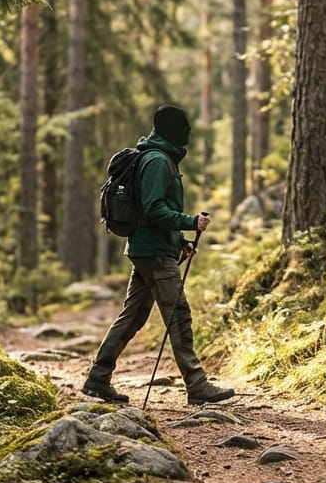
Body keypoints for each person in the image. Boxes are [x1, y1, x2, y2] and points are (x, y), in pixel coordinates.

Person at [82, 104, 236, 406]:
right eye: (184, 130)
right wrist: (190, 222)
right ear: (174, 131)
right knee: (178, 315)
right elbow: (153, 209)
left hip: (150, 248)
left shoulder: (156, 157)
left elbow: (153, 209)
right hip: (152, 251)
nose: (187, 136)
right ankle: (197, 384)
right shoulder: (157, 161)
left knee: (133, 316)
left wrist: (180, 241)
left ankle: (98, 379)